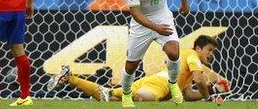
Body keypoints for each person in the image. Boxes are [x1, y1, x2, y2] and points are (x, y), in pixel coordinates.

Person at [46, 35, 230, 103]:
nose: (211, 54)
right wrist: (209, 99)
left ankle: (70, 78)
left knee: (108, 96)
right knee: (144, 98)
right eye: (210, 50)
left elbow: (188, 94)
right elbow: (199, 80)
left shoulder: (186, 64)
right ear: (199, 48)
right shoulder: (192, 55)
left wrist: (213, 90)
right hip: (161, 83)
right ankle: (124, 93)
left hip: (154, 80)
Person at [120, 0, 190, 107]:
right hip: (141, 24)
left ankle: (173, 84)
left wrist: (184, 3)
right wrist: (155, 28)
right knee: (131, 66)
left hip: (163, 17)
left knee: (174, 52)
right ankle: (126, 94)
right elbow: (136, 14)